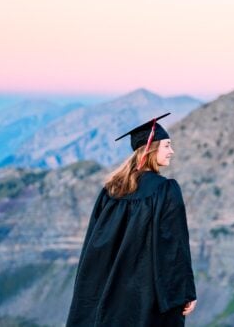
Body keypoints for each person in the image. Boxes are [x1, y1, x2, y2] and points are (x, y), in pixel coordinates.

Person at [66, 112, 197, 326]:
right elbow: (174, 246)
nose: (172, 151)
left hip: (111, 294)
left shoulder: (111, 190)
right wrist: (185, 292)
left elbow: (94, 245)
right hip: (146, 295)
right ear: (150, 148)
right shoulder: (165, 190)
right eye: (167, 145)